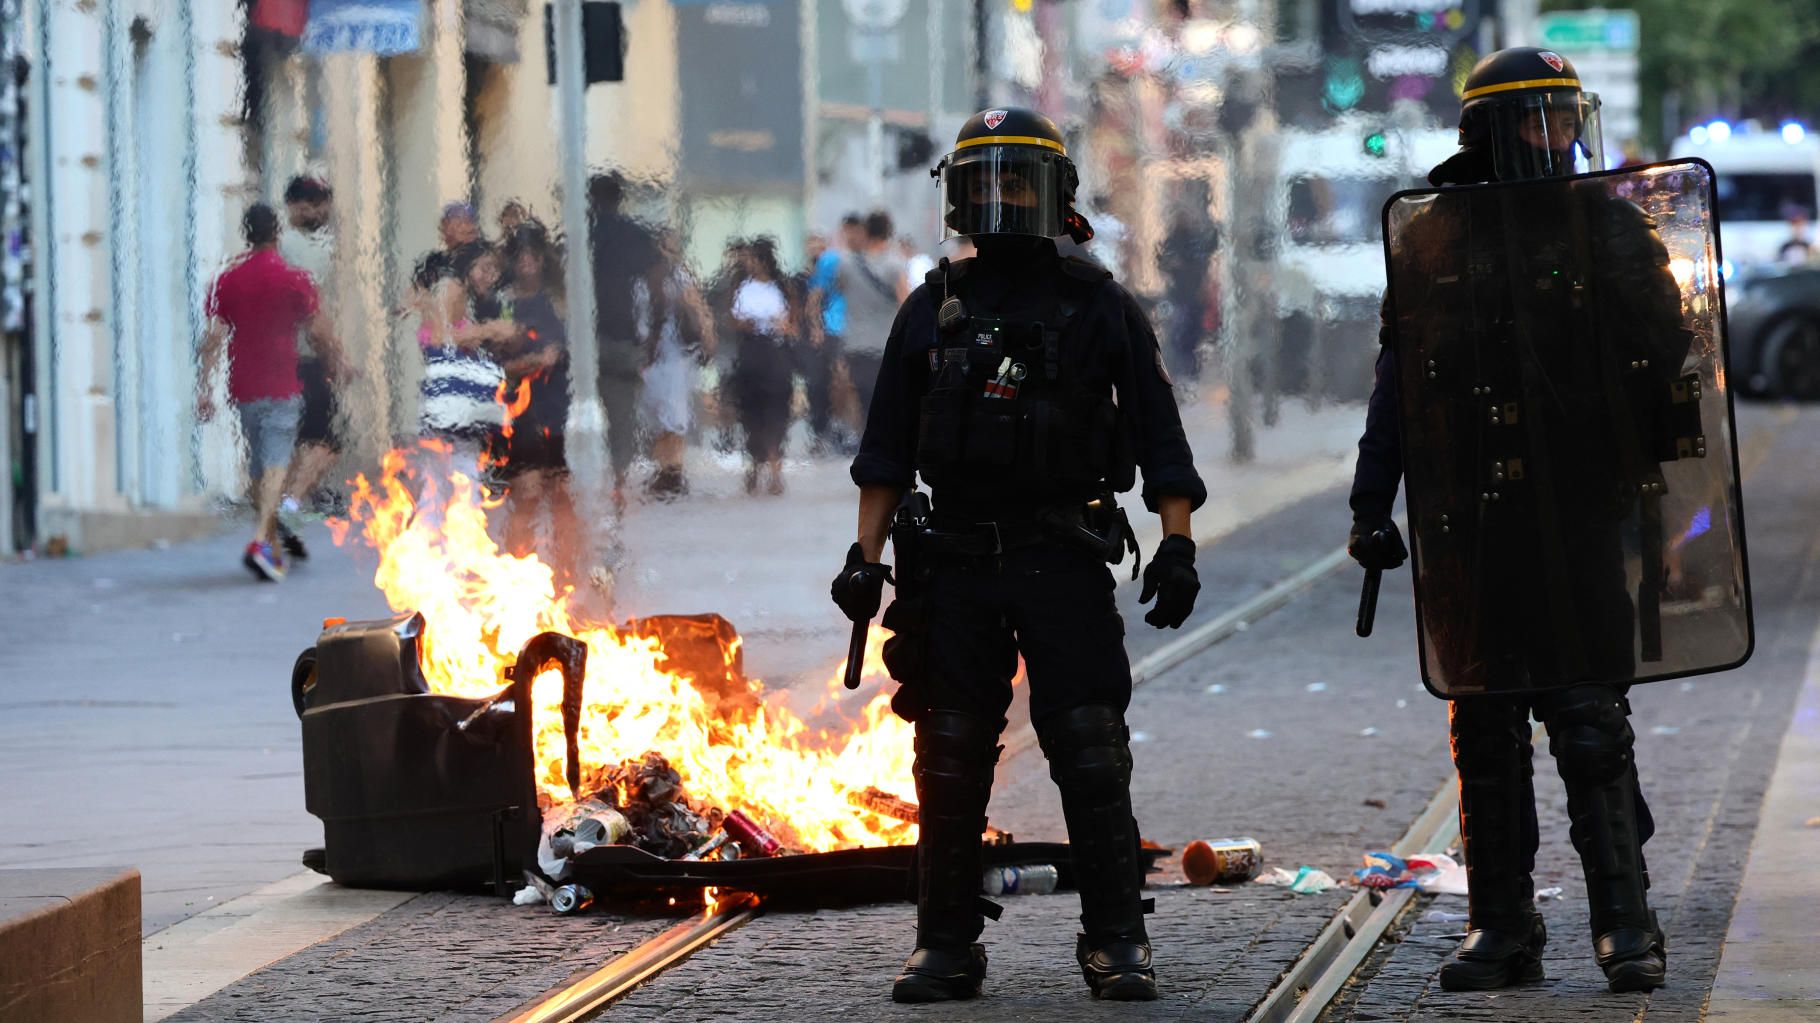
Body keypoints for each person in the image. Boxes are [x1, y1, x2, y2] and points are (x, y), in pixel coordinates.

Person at [830, 108, 1205, 1004]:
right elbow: (885, 450)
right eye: (984, 180)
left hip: (1063, 554)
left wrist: (1178, 544)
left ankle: (1117, 938)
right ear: (960, 194)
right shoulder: (931, 305)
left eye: (1017, 181)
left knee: (1089, 747)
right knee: (949, 753)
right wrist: (863, 556)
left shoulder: (1101, 305)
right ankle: (945, 943)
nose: (999, 197)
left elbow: (1161, 439)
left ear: (1054, 197)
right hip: (953, 562)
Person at [1349, 48, 1686, 995]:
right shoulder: (1438, 239)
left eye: (1563, 116)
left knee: (1588, 720)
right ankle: (1502, 928)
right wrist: (1370, 503)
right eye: (1536, 118)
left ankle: (1627, 923)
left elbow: (1669, 369)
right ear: (1490, 131)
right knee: (1486, 729)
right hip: (1473, 524)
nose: (1557, 135)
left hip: (1575, 513)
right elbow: (1397, 386)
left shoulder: (1609, 232)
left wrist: (1647, 486)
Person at [196, 203, 342, 582]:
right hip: (281, 381)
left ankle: (270, 545)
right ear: (277, 234)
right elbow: (318, 332)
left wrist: (203, 389)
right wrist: (335, 361)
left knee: (260, 465)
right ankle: (261, 540)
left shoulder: (226, 281)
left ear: (248, 233)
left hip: (242, 385)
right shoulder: (295, 279)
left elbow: (211, 340)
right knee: (277, 461)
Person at [493, 223, 586, 574]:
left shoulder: (560, 301)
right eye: (521, 257)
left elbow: (580, 349)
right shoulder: (502, 303)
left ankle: (567, 569)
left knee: (562, 492)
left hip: (559, 403)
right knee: (527, 494)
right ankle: (519, 571)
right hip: (520, 410)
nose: (527, 263)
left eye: (533, 256)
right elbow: (495, 362)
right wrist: (529, 363)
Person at [588, 173, 665, 511]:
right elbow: (658, 288)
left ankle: (585, 484)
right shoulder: (637, 236)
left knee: (578, 412)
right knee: (621, 415)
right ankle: (617, 484)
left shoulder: (579, 234)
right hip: (623, 338)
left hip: (582, 341)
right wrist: (654, 338)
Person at [276, 175, 340, 557]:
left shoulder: (309, 245)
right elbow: (311, 310)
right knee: (328, 442)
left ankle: (288, 507)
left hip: (292, 356)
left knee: (302, 440)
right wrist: (336, 355)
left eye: (322, 203)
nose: (319, 211)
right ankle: (291, 505)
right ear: (296, 206)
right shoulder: (294, 247)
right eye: (313, 204)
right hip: (306, 356)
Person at [636, 229, 715, 499]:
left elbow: (697, 306)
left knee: (674, 414)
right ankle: (664, 469)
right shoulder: (639, 278)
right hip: (649, 355)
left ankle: (673, 470)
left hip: (675, 354)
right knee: (656, 413)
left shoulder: (678, 276)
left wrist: (707, 335)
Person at [418, 243, 511, 466]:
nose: (491, 276)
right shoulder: (452, 287)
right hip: (448, 401)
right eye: (485, 268)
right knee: (453, 473)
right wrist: (488, 330)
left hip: (454, 402)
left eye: (495, 270)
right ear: (468, 267)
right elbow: (439, 339)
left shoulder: (467, 298)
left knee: (453, 474)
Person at [729, 237, 797, 495]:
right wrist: (750, 322)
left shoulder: (782, 288)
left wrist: (779, 324)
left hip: (776, 355)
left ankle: (775, 468)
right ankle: (755, 467)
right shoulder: (742, 287)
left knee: (777, 412)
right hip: (751, 353)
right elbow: (734, 320)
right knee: (751, 412)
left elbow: (792, 325)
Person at [836, 210, 909, 415]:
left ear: (865, 231)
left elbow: (839, 289)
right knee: (887, 398)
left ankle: (865, 440)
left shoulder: (847, 263)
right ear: (889, 232)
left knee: (863, 399)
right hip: (886, 343)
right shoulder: (895, 264)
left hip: (856, 342)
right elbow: (906, 303)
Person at [801, 219, 856, 452]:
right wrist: (815, 328)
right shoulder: (831, 260)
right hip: (836, 329)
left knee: (854, 382)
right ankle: (834, 428)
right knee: (837, 380)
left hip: (860, 331)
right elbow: (814, 298)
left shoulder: (872, 260)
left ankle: (849, 429)